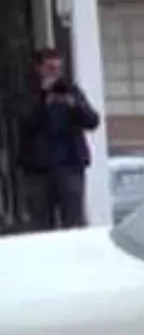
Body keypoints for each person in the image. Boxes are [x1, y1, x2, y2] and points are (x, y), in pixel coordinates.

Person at [17, 48, 101, 230]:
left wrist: (74, 105)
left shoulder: (71, 90)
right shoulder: (29, 93)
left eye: (58, 69)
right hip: (38, 171)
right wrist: (43, 99)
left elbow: (93, 121)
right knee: (40, 226)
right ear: (39, 69)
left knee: (74, 223)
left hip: (69, 167)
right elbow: (24, 123)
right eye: (50, 68)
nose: (55, 74)